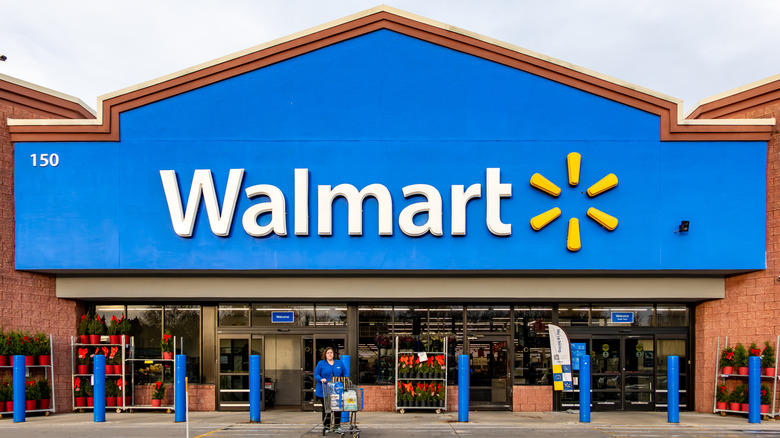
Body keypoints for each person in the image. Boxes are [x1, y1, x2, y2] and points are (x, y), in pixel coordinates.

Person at [314, 347, 346, 430]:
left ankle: (337, 426)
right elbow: (316, 374)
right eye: (328, 353)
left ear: (333, 354)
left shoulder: (339, 363)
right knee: (326, 408)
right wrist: (321, 379)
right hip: (324, 390)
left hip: (336, 390)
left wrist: (344, 381)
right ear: (325, 354)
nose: (330, 354)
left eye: (331, 352)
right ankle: (327, 426)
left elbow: (345, 373)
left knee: (338, 408)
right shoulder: (321, 363)